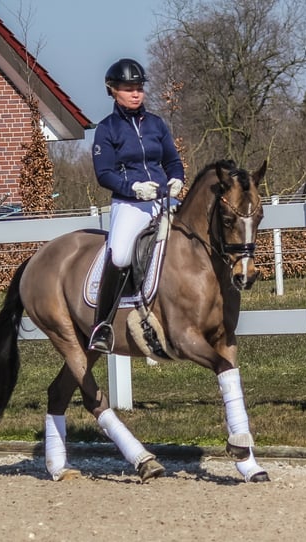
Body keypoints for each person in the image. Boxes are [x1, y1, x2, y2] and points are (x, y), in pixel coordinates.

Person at [89, 58, 185, 353]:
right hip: (130, 204)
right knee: (118, 255)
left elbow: (171, 159)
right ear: (113, 91)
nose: (135, 93)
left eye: (139, 88)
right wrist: (132, 188)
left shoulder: (156, 123)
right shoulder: (106, 130)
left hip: (162, 199)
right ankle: (102, 326)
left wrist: (177, 179)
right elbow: (104, 173)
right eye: (129, 88)